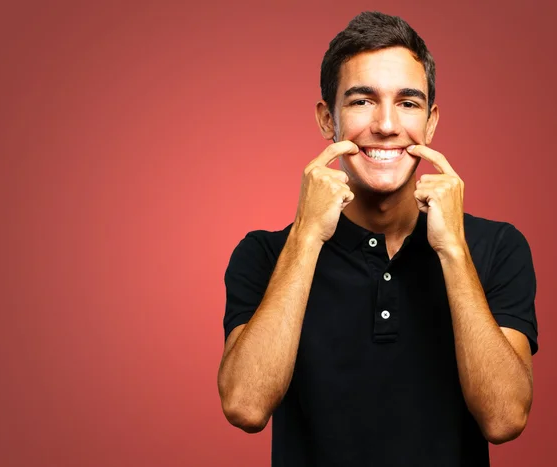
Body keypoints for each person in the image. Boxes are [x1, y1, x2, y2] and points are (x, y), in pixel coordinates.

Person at [217, 11, 538, 466]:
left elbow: (505, 419)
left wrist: (451, 248)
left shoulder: (497, 247)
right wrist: (307, 236)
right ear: (327, 119)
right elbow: (245, 407)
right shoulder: (264, 254)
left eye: (408, 103)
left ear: (430, 123)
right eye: (362, 101)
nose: (386, 124)